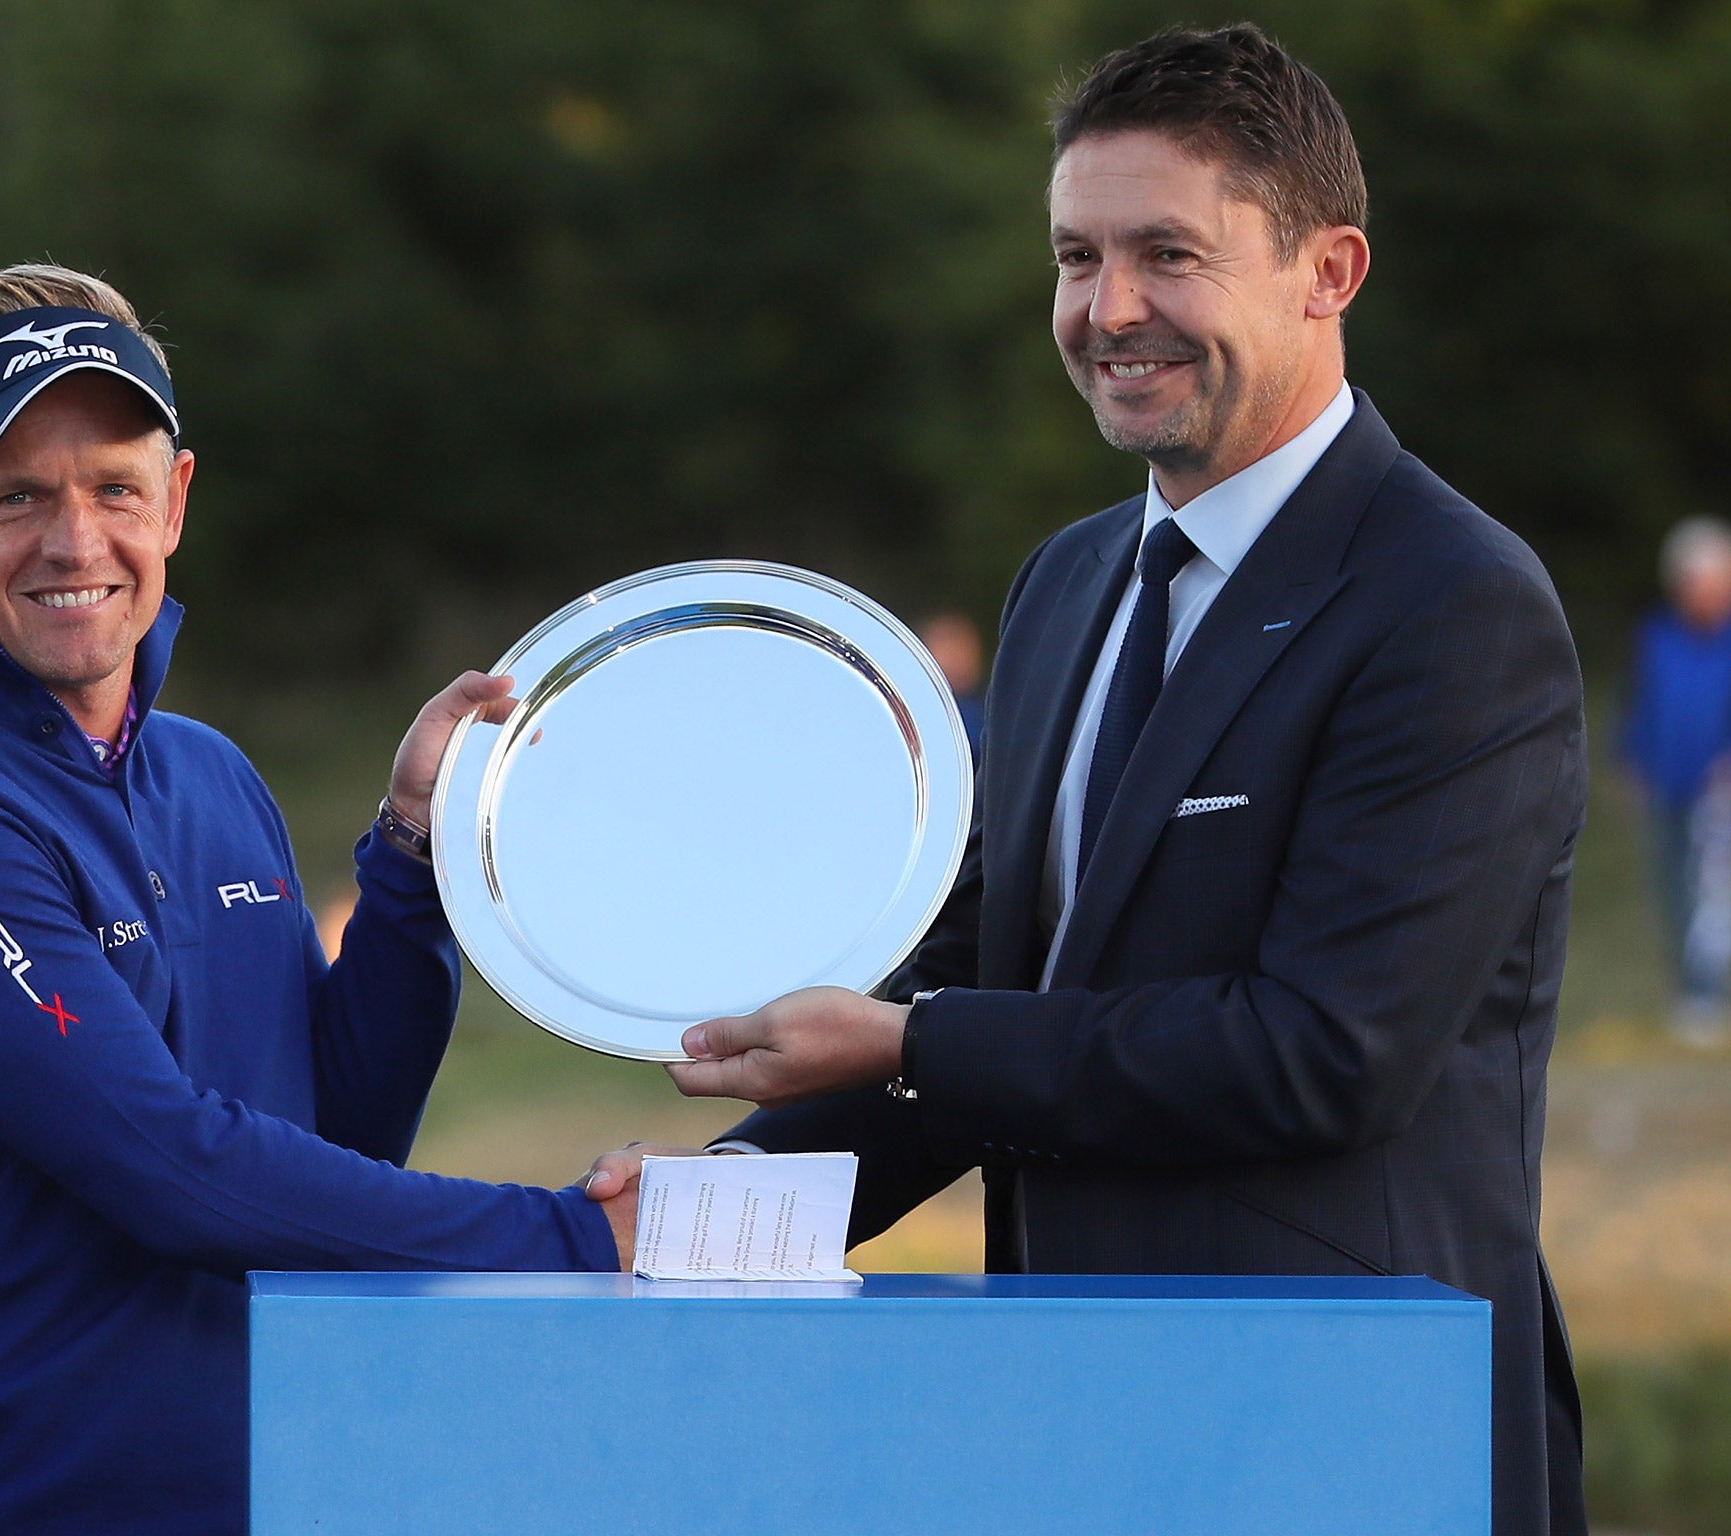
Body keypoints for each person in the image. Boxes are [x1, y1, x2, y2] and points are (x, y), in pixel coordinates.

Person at [588, 27, 1586, 1536]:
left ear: (1330, 271)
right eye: (1075, 257)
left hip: (1355, 1437)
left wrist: (910, 1038)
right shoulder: (1065, 587)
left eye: (1167, 254)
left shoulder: (1452, 604)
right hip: (1083, 1415)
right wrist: (695, 1216)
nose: (1108, 310)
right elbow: (986, 992)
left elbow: (1321, 1053)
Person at [0, 264, 634, 1535]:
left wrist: (408, 860)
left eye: (113, 488)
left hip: (271, 1498)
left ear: (173, 502)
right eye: (13, 498)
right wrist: (568, 1241)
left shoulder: (210, 778)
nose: (75, 543)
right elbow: (171, 1168)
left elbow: (332, 1138)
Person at [1622, 515, 1731, 1043]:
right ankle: (1693, 995)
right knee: (1675, 891)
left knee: (1713, 892)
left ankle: (1711, 991)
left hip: (1721, 795)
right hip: (1668, 787)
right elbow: (1641, 704)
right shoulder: (1658, 637)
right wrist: (1632, 759)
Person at [916, 611, 987, 760]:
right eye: (946, 647)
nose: (955, 658)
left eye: (961, 648)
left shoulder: (987, 718)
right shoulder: (914, 716)